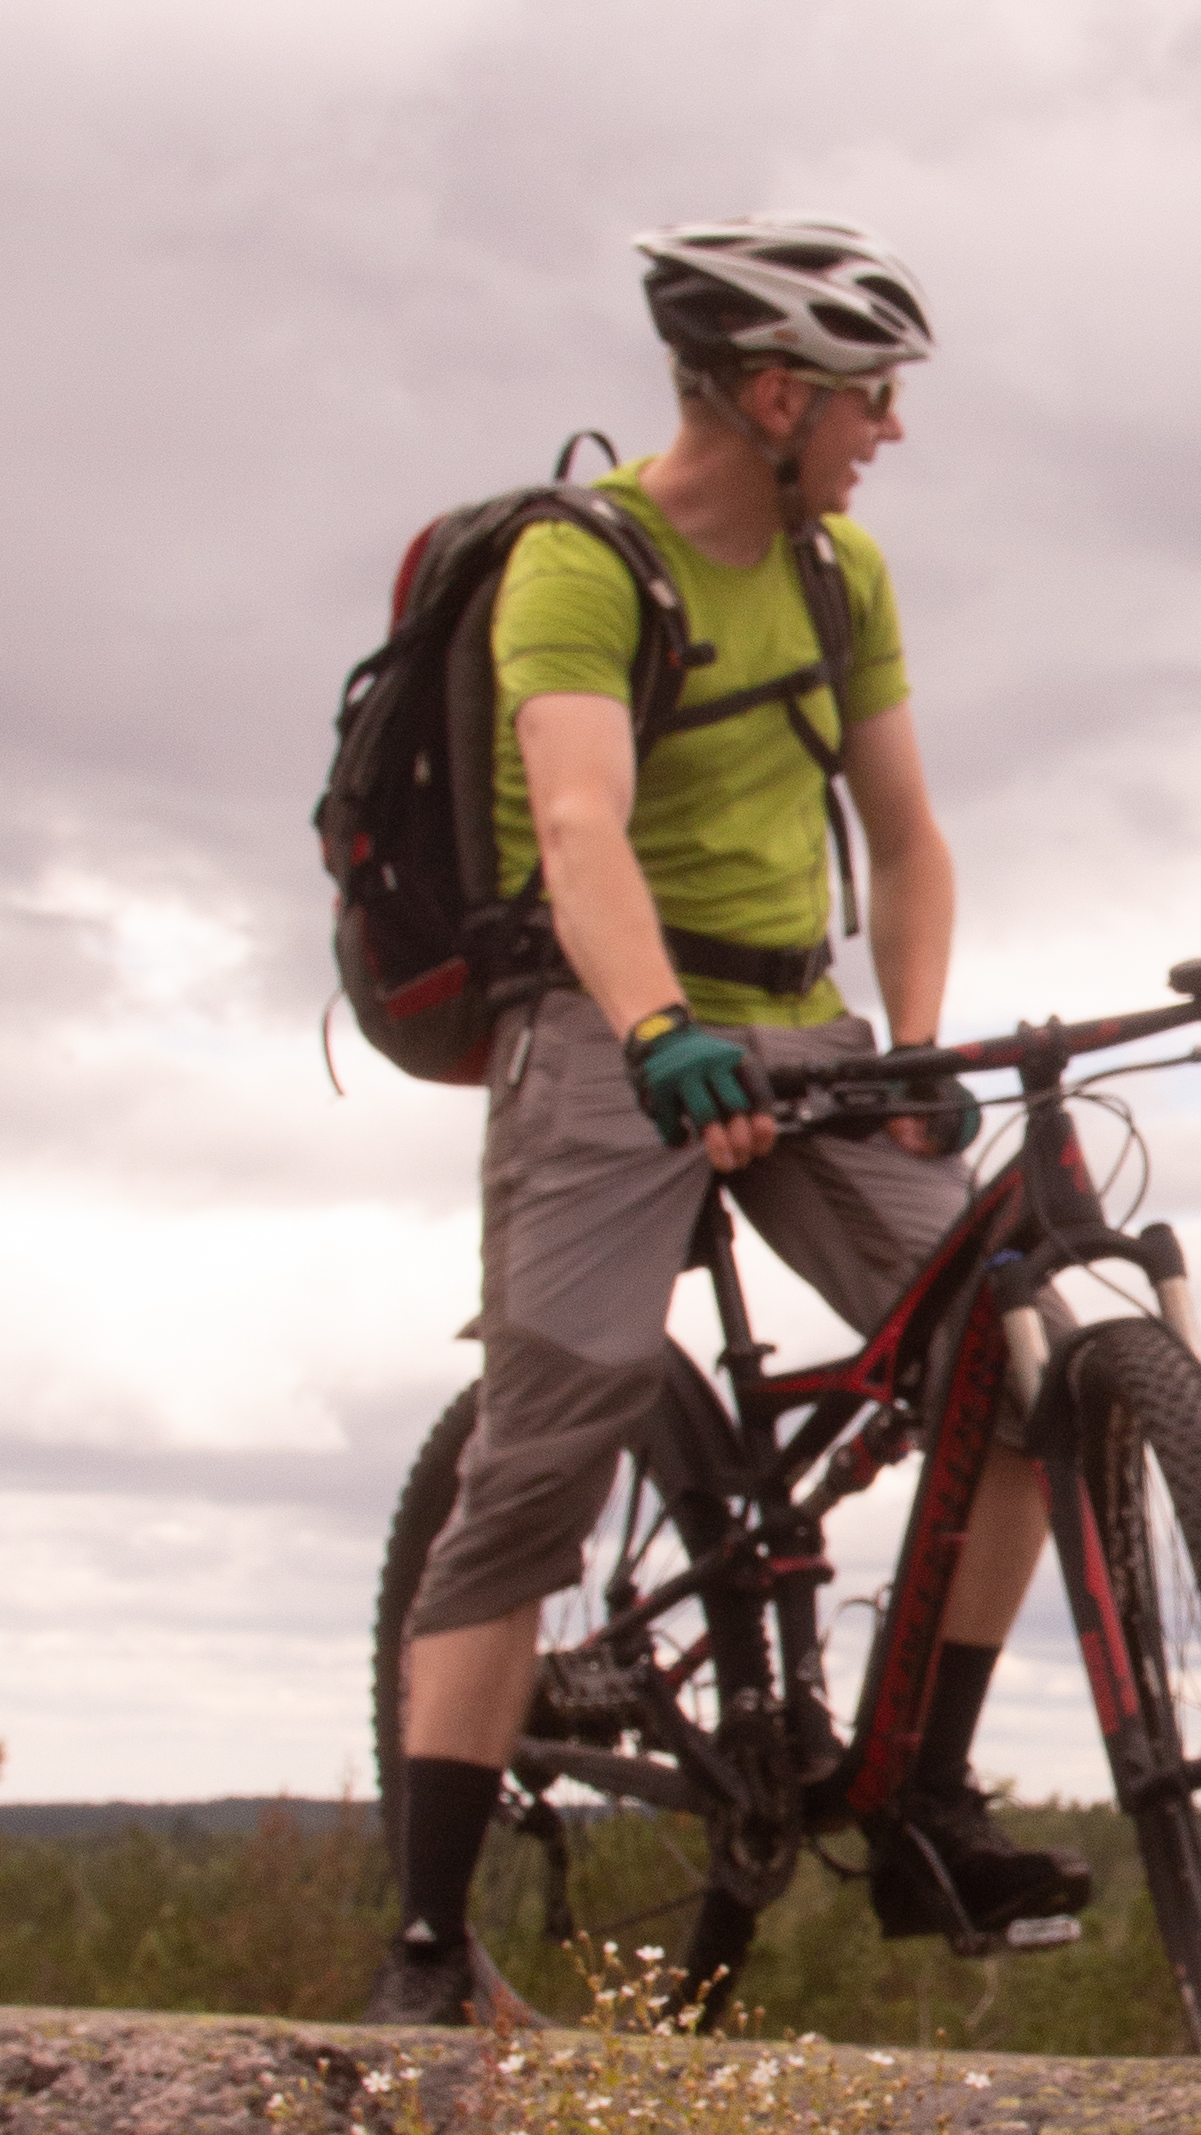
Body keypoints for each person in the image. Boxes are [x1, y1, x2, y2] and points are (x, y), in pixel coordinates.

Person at [368, 218, 1082, 2024]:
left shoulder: (844, 575)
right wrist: (660, 1028)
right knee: (555, 1433)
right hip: (601, 1021)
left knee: (1017, 1365)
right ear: (775, 395)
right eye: (869, 396)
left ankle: (924, 1795)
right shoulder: (575, 565)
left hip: (803, 1023)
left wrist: (910, 1052)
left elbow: (908, 835)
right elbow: (583, 824)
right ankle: (431, 1944)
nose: (887, 429)